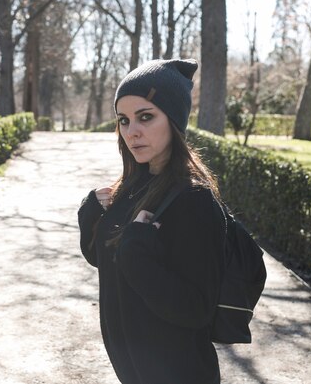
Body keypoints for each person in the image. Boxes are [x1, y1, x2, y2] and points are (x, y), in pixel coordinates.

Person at [78, 59, 227, 384]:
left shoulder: (193, 199)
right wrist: (89, 216)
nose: (132, 131)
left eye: (146, 117)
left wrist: (137, 257)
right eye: (124, 120)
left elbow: (197, 309)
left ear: (173, 119)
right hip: (133, 372)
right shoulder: (131, 188)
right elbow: (106, 260)